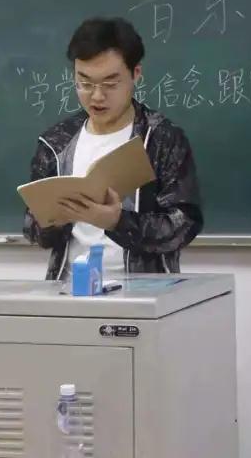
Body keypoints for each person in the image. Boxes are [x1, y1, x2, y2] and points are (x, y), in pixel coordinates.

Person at [23, 17, 203, 280]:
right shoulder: (56, 143)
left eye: (110, 84)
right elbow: (33, 229)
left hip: (145, 291)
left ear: (135, 74)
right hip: (70, 289)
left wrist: (118, 222)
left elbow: (184, 224)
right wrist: (53, 220)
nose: (97, 96)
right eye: (85, 83)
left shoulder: (161, 139)